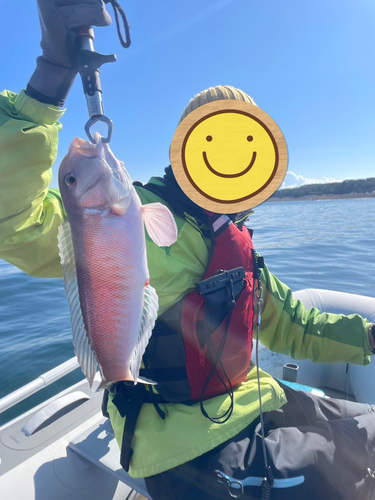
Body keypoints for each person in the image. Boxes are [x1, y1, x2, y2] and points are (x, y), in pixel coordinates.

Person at [1, 1, 375, 499]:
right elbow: (16, 223)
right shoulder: (139, 219)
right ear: (187, 149)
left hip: (253, 402)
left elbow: (295, 326)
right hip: (178, 440)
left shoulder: (235, 240)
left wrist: (369, 337)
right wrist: (51, 76)